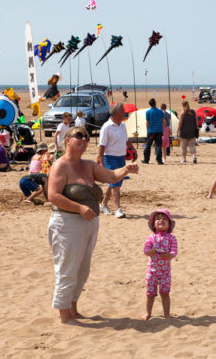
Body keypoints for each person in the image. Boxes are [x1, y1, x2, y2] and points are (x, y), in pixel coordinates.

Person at [46, 126, 139, 325]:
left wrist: (126, 169)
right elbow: (53, 195)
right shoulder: (60, 165)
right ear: (67, 140)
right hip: (67, 223)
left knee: (82, 270)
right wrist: (79, 208)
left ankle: (73, 309)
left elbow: (111, 176)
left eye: (86, 137)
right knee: (67, 268)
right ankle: (64, 316)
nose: (84, 139)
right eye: (78, 135)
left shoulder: (88, 165)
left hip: (89, 224)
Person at [143, 209, 178, 320]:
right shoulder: (150, 237)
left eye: (164, 219)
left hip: (165, 272)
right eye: (158, 219)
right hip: (151, 271)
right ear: (153, 224)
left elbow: (174, 252)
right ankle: (148, 313)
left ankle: (166, 314)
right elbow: (145, 250)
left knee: (165, 293)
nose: (161, 220)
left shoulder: (172, 238)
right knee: (150, 293)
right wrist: (150, 251)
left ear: (169, 224)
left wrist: (169, 255)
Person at [97, 104, 130, 218]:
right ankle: (118, 209)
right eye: (123, 112)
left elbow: (126, 140)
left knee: (114, 183)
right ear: (116, 114)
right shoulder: (106, 127)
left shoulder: (122, 125)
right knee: (115, 185)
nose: (125, 114)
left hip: (121, 157)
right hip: (110, 158)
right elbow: (101, 146)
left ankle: (103, 204)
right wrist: (101, 162)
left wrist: (132, 149)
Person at [144, 99, 165, 165]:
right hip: (159, 131)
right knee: (158, 145)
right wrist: (163, 129)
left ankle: (146, 160)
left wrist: (147, 130)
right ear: (155, 103)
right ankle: (159, 160)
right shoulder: (160, 111)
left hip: (151, 131)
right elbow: (163, 121)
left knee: (148, 145)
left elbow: (147, 122)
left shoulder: (148, 112)